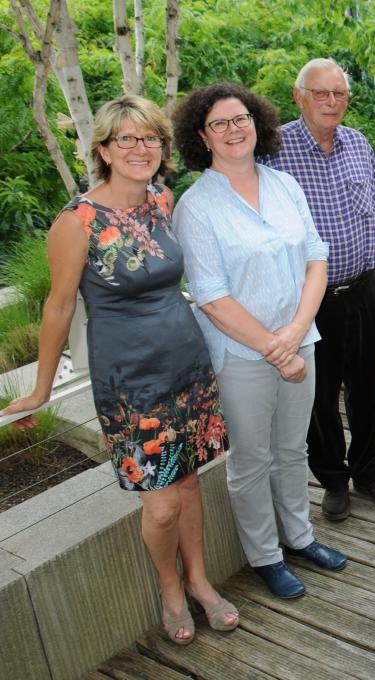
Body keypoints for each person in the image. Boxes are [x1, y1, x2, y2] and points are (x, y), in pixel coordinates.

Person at [1, 95, 235, 644]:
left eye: (149, 137)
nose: (140, 148)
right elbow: (58, 306)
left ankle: (200, 580)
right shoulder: (77, 221)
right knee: (160, 505)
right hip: (131, 383)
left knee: (190, 485)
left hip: (187, 365)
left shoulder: (162, 200)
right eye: (125, 139)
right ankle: (170, 589)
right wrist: (39, 387)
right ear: (103, 149)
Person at [172, 82, 346, 599]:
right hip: (242, 357)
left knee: (293, 449)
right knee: (251, 460)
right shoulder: (197, 206)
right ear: (201, 137)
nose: (233, 130)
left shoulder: (284, 184)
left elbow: (317, 257)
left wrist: (295, 333)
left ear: (258, 123)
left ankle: (299, 536)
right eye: (219, 124)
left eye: (240, 118)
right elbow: (211, 296)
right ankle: (265, 556)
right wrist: (276, 347)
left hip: (301, 341)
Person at [262, 58, 375, 521]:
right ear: (299, 97)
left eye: (339, 94)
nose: (331, 102)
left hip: (364, 288)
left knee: (368, 387)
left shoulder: (358, 143)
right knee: (318, 397)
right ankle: (333, 480)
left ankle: (370, 472)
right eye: (321, 93)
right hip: (307, 300)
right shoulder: (273, 151)